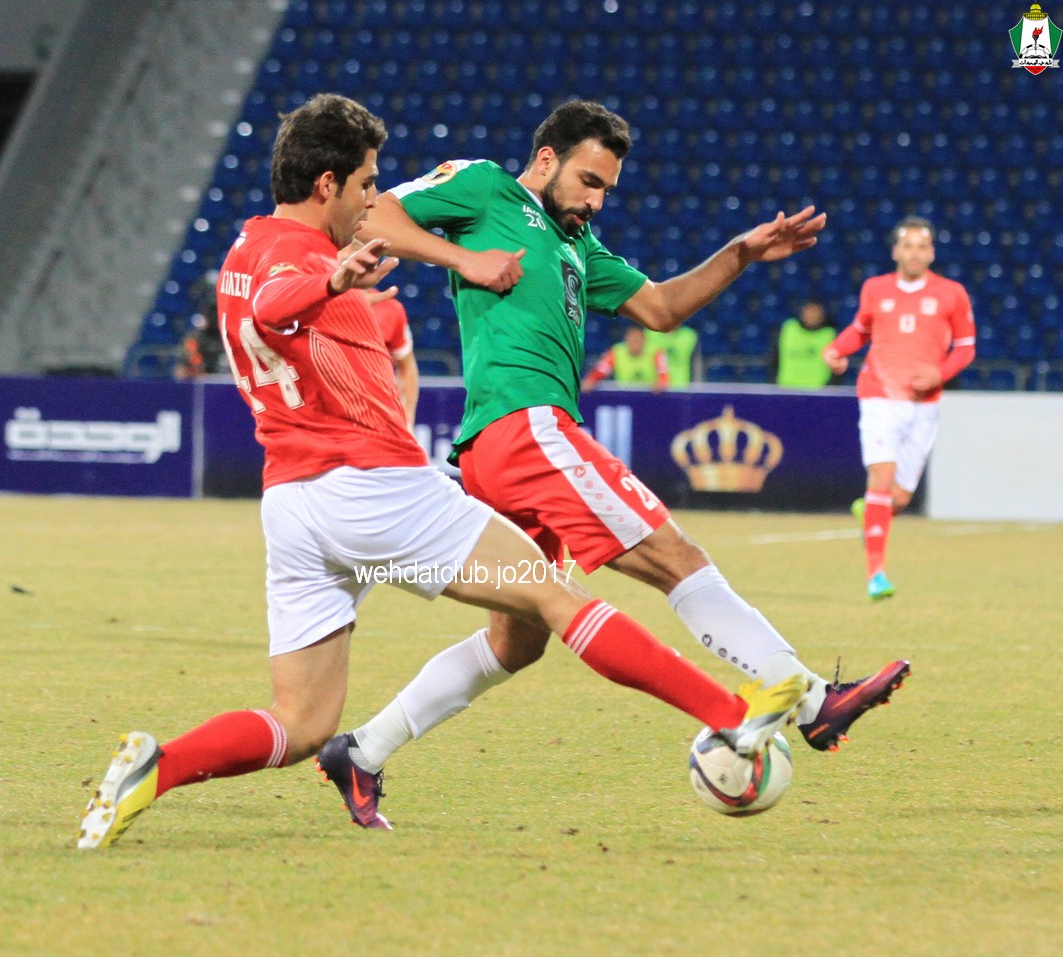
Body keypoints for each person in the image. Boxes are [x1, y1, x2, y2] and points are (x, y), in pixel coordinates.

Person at [75, 94, 808, 848]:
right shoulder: (301, 258)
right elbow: (276, 304)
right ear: (327, 184)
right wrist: (331, 283)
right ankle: (732, 715)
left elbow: (269, 307)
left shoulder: (243, 249)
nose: (373, 200)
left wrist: (343, 293)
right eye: (367, 183)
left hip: (293, 505)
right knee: (557, 597)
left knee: (301, 723)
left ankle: (156, 769)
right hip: (371, 486)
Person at [320, 99, 910, 828]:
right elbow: (372, 216)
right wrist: (465, 258)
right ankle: (814, 701)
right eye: (589, 181)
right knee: (675, 556)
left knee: (517, 642)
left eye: (607, 189)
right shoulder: (483, 186)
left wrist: (740, 253)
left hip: (499, 450)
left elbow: (660, 307)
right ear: (546, 160)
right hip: (526, 427)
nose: (597, 200)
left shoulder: (578, 247)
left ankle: (363, 749)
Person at [823, 216, 975, 600]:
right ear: (895, 251)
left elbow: (966, 347)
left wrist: (940, 374)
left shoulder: (952, 293)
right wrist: (837, 349)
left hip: (924, 404)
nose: (914, 253)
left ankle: (870, 512)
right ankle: (876, 575)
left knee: (901, 497)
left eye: (922, 246)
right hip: (879, 395)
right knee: (881, 477)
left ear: (932, 252)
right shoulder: (875, 288)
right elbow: (861, 329)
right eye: (908, 245)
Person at [368, 287, 419, 429]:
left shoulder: (390, 309)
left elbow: (407, 368)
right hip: (325, 418)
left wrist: (407, 420)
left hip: (375, 419)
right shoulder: (321, 300)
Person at [771, 298, 841, 388]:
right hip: (786, 388)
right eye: (810, 312)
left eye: (816, 312)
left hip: (818, 391)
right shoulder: (789, 329)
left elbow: (837, 367)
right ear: (802, 313)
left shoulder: (829, 335)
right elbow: (774, 359)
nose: (812, 316)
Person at [581, 323, 669, 392]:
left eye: (638, 340)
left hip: (649, 397)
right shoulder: (616, 352)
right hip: (624, 396)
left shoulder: (656, 352)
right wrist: (591, 379)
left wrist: (661, 382)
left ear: (644, 340)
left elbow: (663, 374)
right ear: (626, 339)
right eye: (632, 339)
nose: (635, 343)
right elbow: (601, 370)